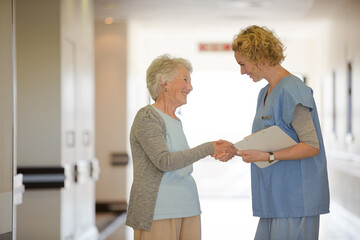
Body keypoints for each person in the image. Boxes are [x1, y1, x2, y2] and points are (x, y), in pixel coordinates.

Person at [230, 25, 330, 239]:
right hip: (274, 199)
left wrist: (268, 156)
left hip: (295, 200)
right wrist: (234, 149)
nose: (243, 71)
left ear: (258, 56)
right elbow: (267, 137)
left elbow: (311, 146)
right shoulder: (264, 93)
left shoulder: (293, 89)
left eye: (242, 64)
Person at [125, 54, 236, 240]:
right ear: (164, 82)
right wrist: (209, 148)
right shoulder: (147, 117)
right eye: (185, 80)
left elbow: (182, 161)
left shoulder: (175, 120)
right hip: (159, 210)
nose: (190, 88)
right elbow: (164, 161)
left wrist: (220, 149)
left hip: (188, 206)